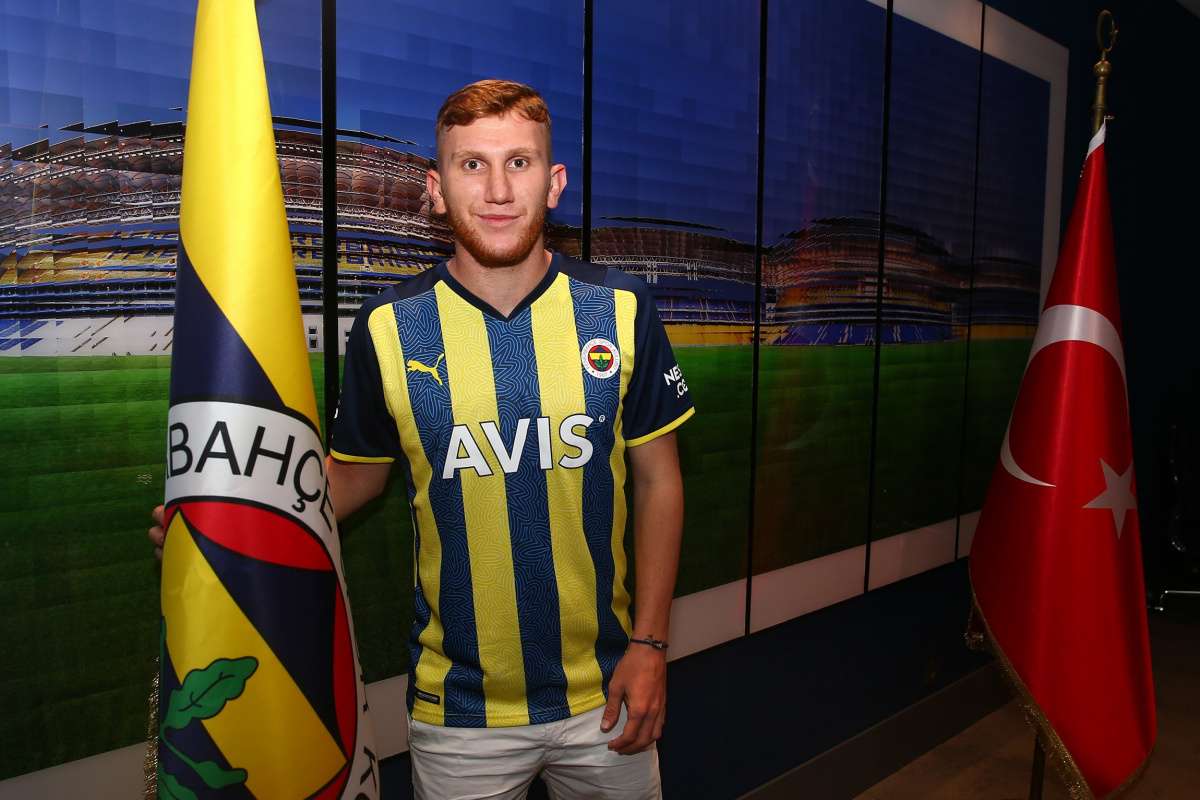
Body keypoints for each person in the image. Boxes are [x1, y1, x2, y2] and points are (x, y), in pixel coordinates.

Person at [151, 79, 693, 800]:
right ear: (436, 189)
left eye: (520, 162)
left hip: (609, 692)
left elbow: (659, 481)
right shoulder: (387, 327)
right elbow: (352, 479)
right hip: (458, 711)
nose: (498, 190)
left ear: (554, 182)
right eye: (473, 165)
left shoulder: (620, 307)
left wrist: (651, 645)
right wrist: (227, 522)